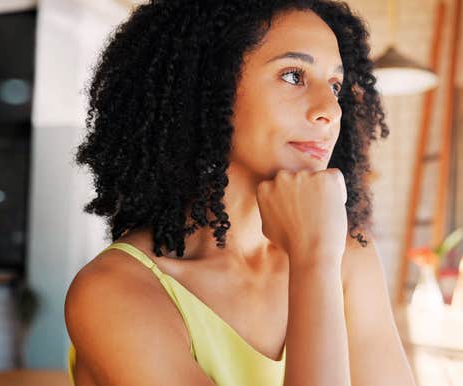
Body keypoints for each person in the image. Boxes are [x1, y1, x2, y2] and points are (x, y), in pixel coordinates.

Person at [65, 0, 415, 385]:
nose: (330, 110)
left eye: (334, 85)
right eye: (294, 76)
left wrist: (318, 257)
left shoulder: (348, 256)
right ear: (203, 87)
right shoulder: (114, 292)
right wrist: (313, 263)